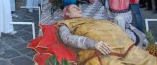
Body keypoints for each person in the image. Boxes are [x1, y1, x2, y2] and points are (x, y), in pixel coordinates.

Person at [28, 4, 157, 64]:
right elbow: (67, 39)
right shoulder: (65, 24)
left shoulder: (90, 19)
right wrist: (93, 44)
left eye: (78, 7)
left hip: (124, 44)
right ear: (67, 14)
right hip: (102, 49)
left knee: (148, 60)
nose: (79, 8)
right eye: (74, 8)